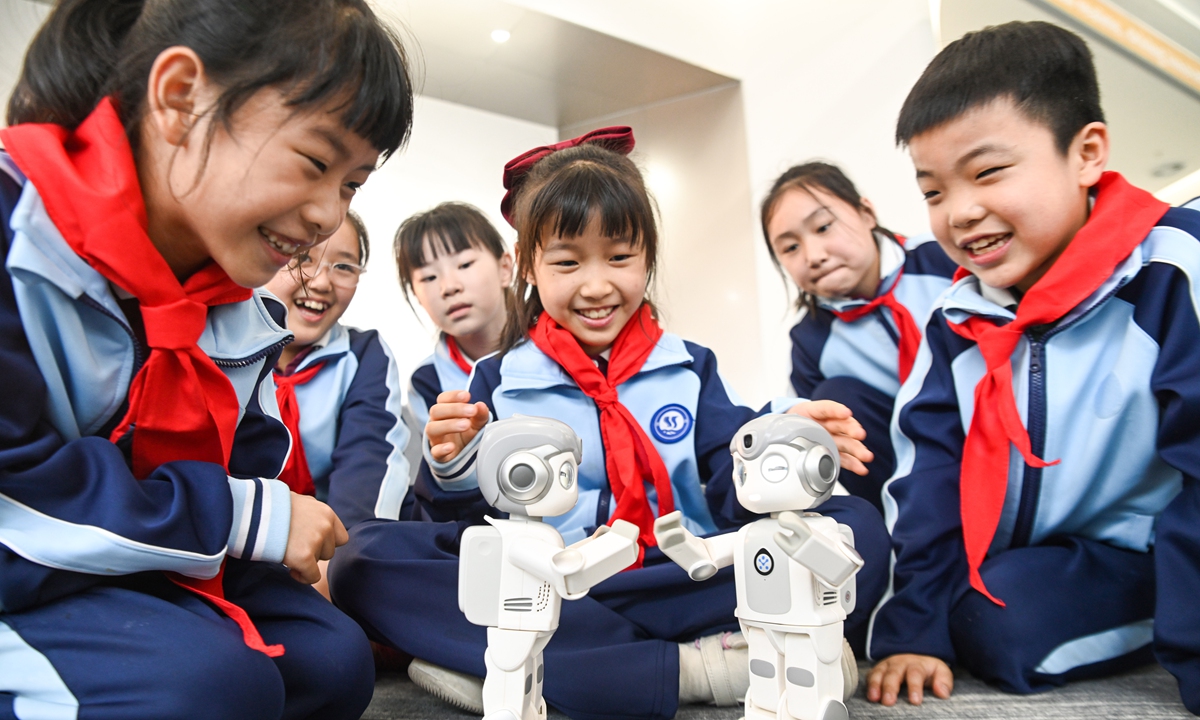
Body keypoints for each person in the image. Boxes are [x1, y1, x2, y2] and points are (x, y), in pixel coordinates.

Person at [330, 127, 890, 720]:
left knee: (852, 529)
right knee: (364, 559)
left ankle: (540, 665)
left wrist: (775, 443)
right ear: (527, 265)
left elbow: (732, 483)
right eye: (568, 263)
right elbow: (471, 526)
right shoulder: (496, 379)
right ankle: (692, 670)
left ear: (648, 255)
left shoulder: (690, 366)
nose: (597, 286)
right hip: (561, 582)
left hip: (686, 581)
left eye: (620, 258)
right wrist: (452, 468)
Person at [0, 0, 412, 717]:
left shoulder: (237, 299)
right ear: (180, 99)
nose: (325, 216)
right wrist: (246, 516)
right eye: (314, 162)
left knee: (333, 660)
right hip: (23, 556)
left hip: (138, 548)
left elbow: (254, 459)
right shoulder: (18, 229)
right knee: (210, 685)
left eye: (351, 185)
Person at [863, 21, 1200, 715]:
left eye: (988, 172)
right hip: (1051, 557)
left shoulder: (1172, 271)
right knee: (988, 625)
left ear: (1087, 153)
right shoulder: (957, 320)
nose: (961, 212)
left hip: (1152, 541)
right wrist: (915, 628)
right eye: (932, 192)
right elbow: (927, 481)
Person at [762, 161, 957, 509]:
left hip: (987, 431)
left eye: (823, 227)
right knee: (829, 406)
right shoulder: (811, 339)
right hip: (906, 472)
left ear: (866, 212)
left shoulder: (943, 260)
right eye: (790, 248)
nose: (814, 256)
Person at [265, 211, 409, 598]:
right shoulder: (228, 344)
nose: (322, 281)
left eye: (344, 266)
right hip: (248, 538)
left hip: (333, 551)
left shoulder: (364, 355)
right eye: (302, 258)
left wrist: (337, 564)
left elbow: (368, 463)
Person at [392, 202, 513, 521]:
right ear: (417, 296)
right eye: (429, 277)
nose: (449, 287)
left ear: (506, 267)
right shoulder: (426, 381)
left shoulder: (556, 346)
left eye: (464, 264)